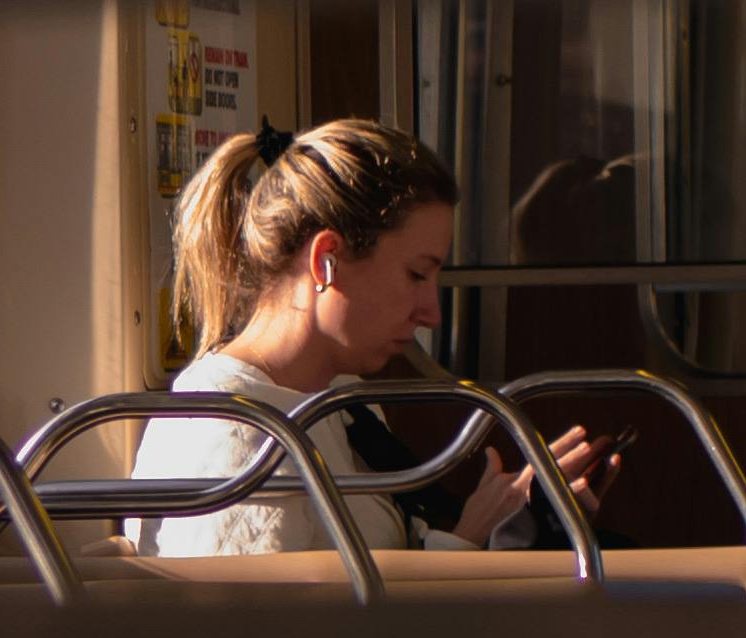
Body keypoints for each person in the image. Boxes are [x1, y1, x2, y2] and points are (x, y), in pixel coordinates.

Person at [127, 119, 611, 555]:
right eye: (416, 275)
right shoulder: (234, 441)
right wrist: (464, 545)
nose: (431, 314)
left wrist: (489, 526)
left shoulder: (343, 402)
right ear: (326, 260)